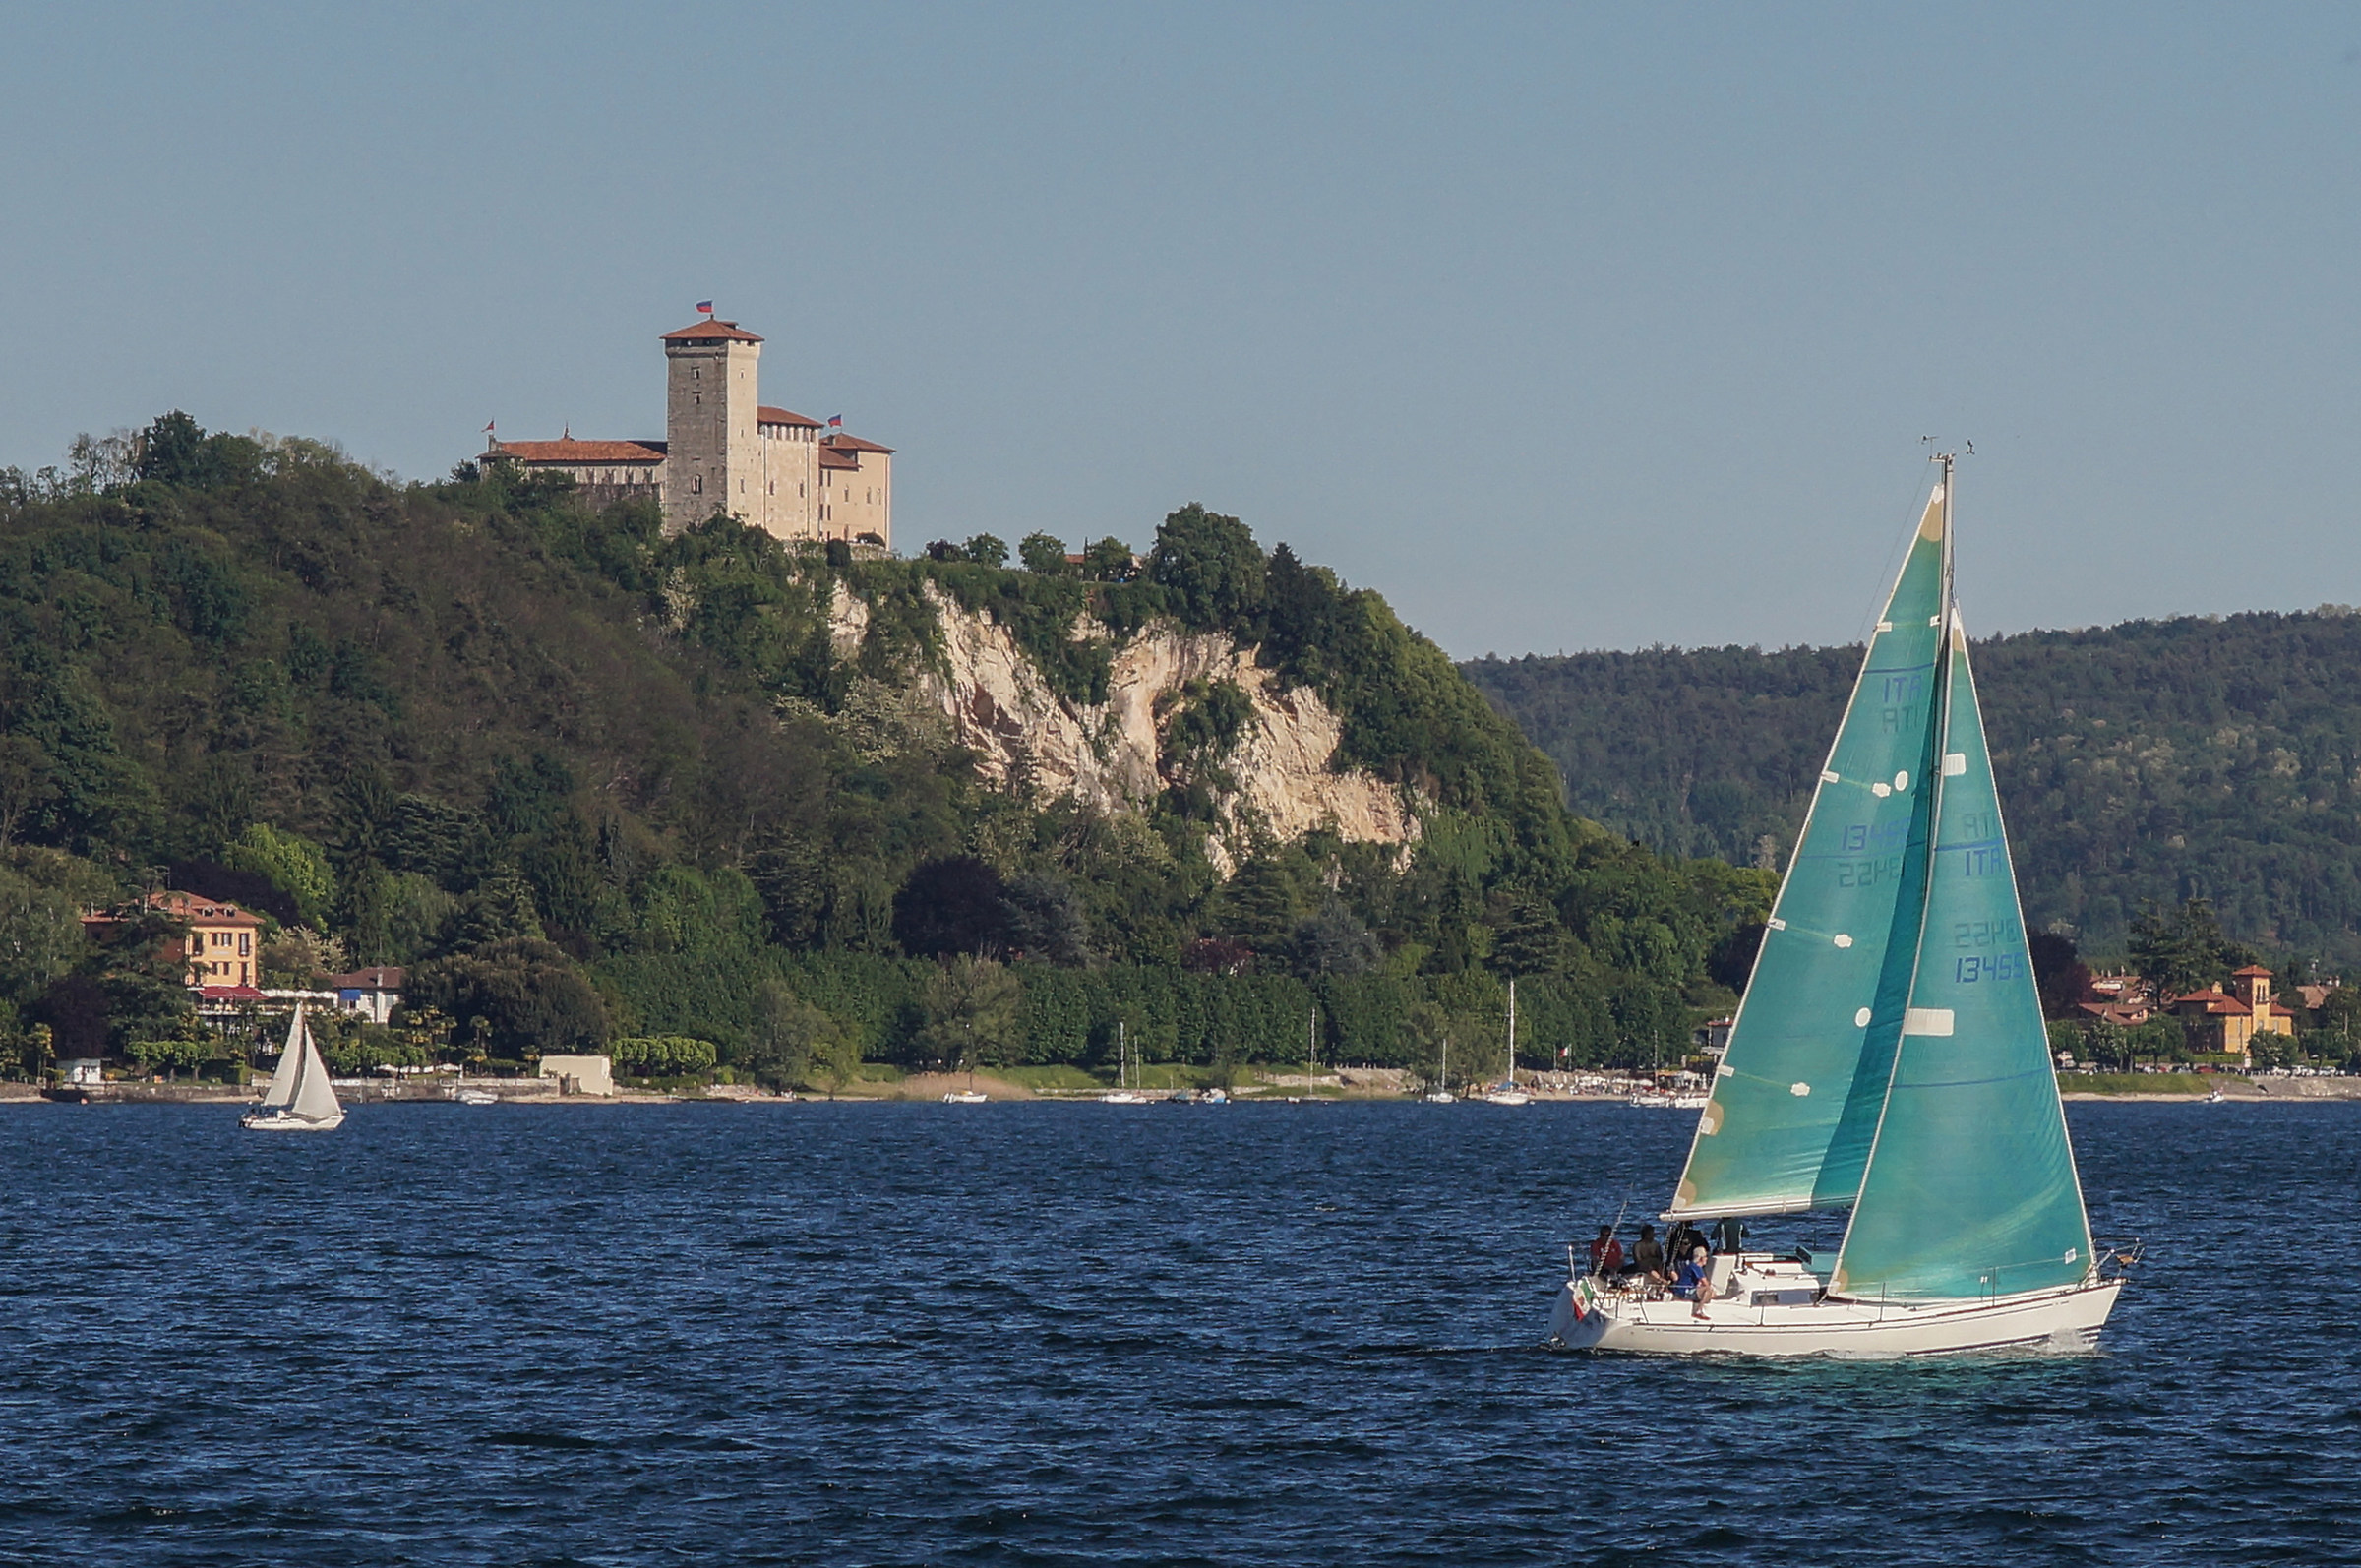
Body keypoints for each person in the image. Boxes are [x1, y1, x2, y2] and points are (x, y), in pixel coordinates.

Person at [1670, 1244, 1716, 1320]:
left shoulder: (1693, 1266)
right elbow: (1705, 1283)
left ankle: (1699, 1307)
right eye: (1705, 1256)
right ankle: (1698, 1310)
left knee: (1708, 1290)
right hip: (1685, 1291)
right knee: (1708, 1290)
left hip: (1687, 1290)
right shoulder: (1695, 1267)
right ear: (1701, 1258)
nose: (1707, 1259)